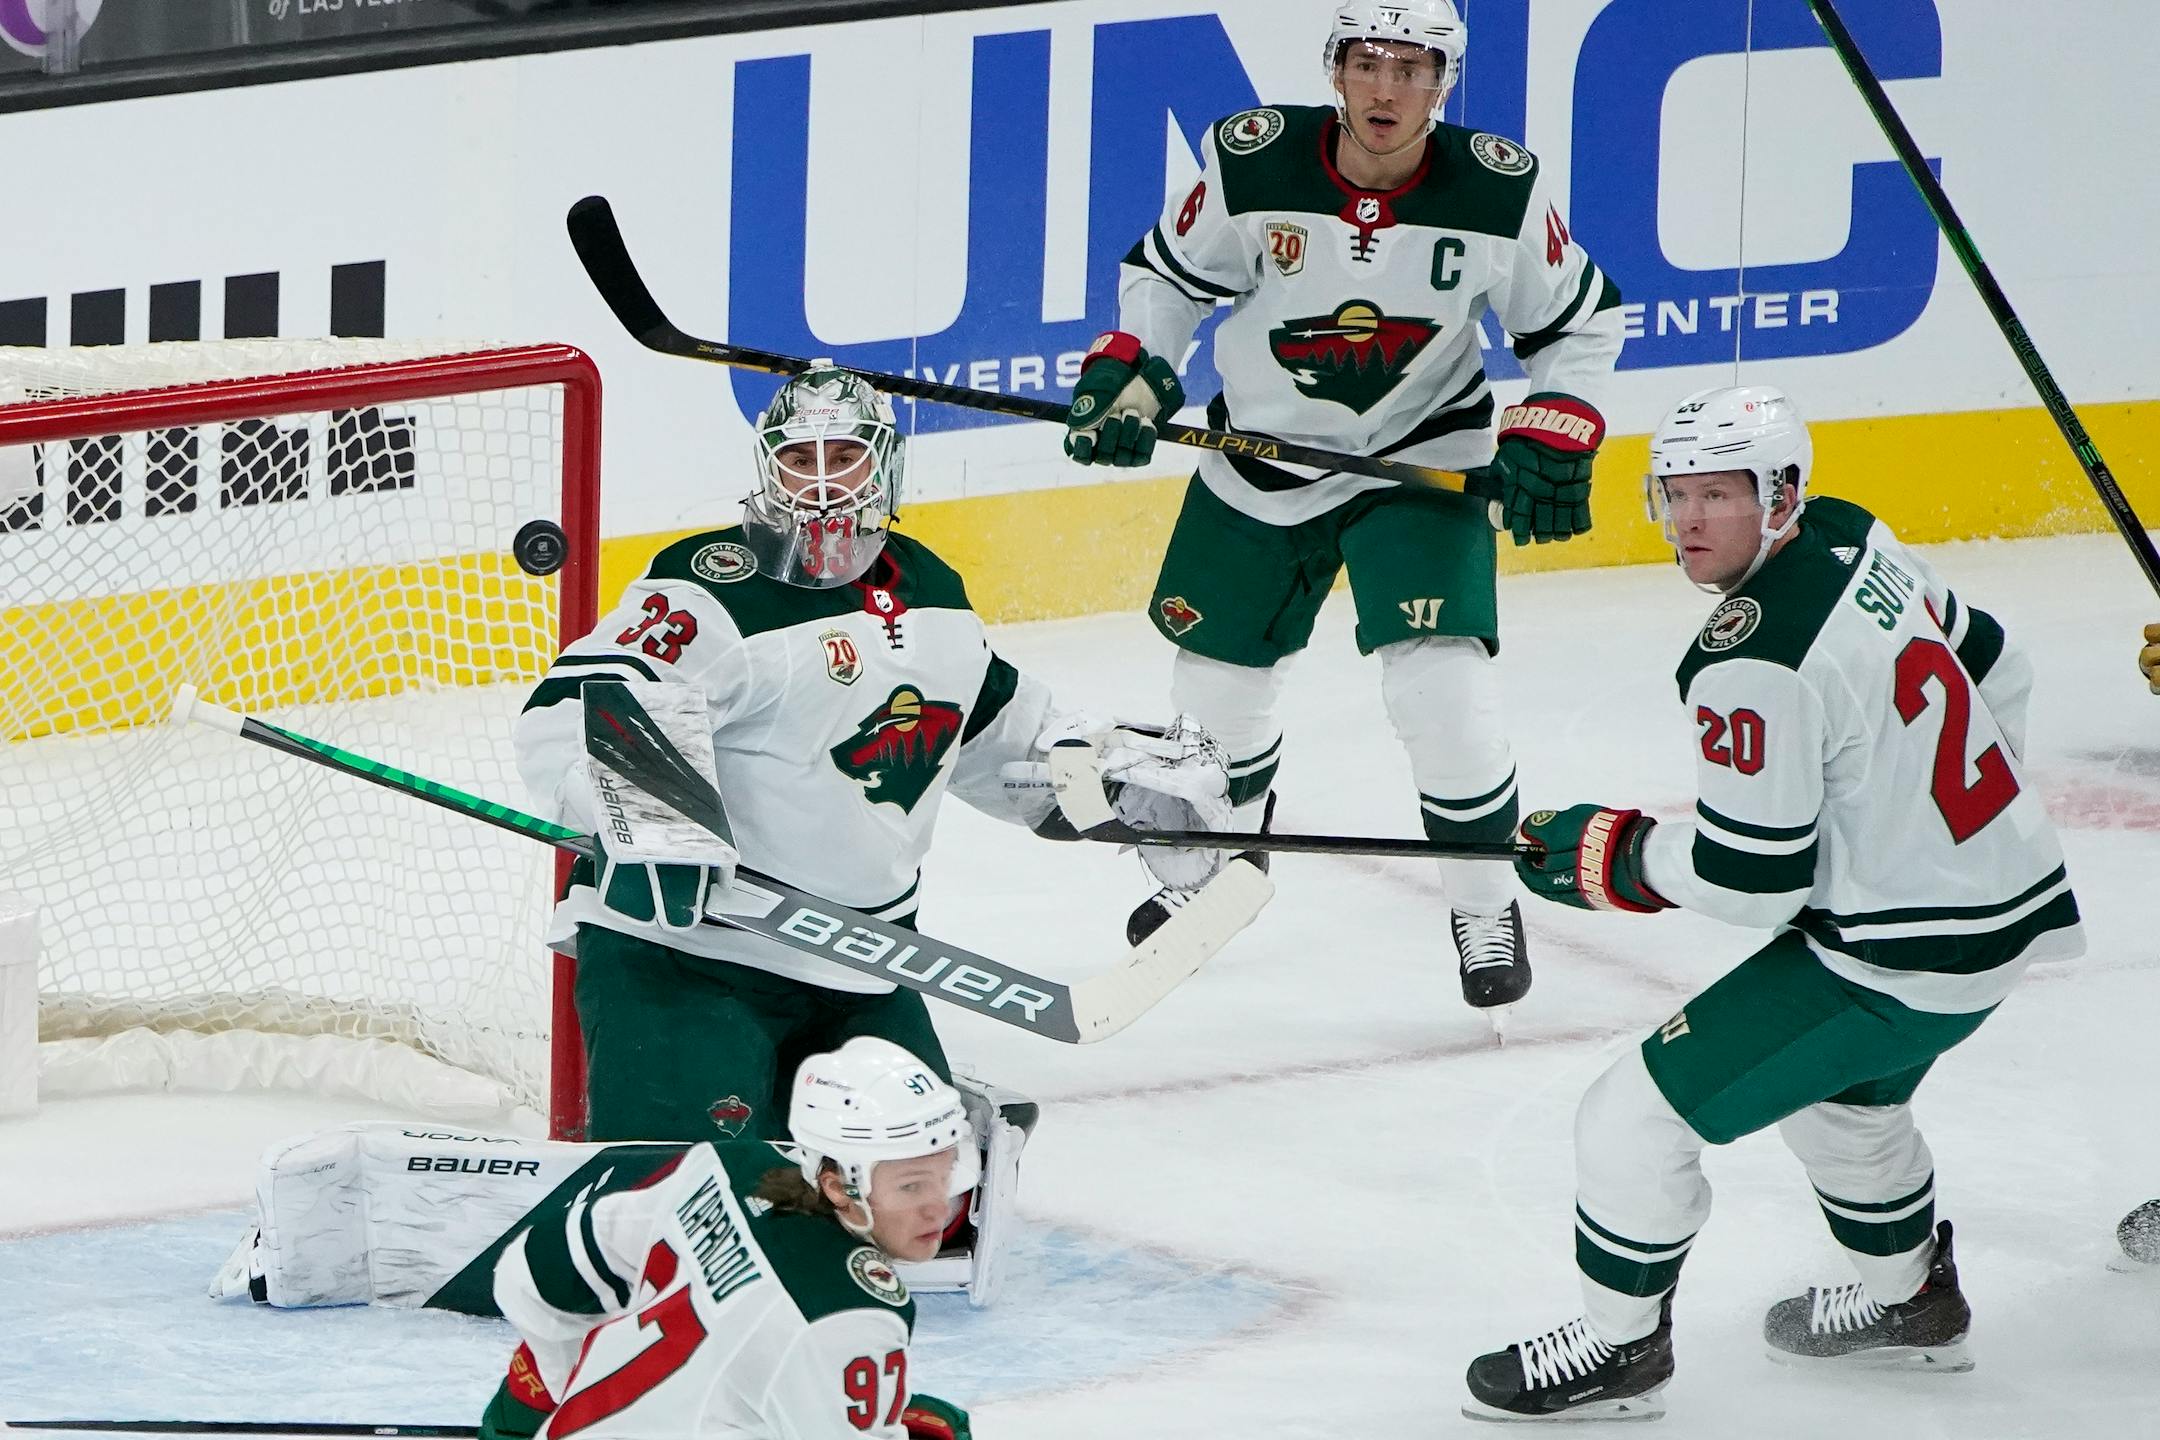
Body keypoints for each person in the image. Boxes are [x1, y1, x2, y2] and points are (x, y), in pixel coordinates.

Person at [511, 362, 1234, 1291]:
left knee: (922, 1229)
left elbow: (992, 730)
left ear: (886, 466)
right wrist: (649, 809)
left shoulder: (933, 588)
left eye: (844, 454)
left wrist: (1101, 784)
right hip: (687, 959)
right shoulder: (710, 586)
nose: (820, 479)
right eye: (799, 455)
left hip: (862, 961)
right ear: (766, 466)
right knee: (684, 1232)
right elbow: (584, 698)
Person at [1461, 386, 2085, 1421]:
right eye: (1674, 494)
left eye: (1719, 494)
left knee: (1629, 1119)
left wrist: (1613, 857)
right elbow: (1997, 662)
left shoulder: (1748, 658)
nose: (1689, 520)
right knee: (1846, 1107)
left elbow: (1756, 881)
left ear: (1781, 495)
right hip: (2004, 905)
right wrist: (1932, 827)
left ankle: (1621, 1355)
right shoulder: (1851, 535)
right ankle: (1911, 1308)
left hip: (1896, 958)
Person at [1061, 0, 1623, 1018]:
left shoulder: (1501, 186)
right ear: (1336, 67)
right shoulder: (1253, 160)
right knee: (1213, 697)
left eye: (1414, 68)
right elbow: (1167, 278)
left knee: (1442, 695)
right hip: (1259, 455)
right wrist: (1139, 364)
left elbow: (1579, 325)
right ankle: (1218, 864)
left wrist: (1555, 415)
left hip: (1421, 464)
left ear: (1444, 82)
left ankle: (1484, 903)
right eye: (1369, 62)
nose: (1387, 89)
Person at [476, 1037, 979, 1440]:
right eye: (911, 1185)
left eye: (946, 1173)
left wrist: (536, 1403)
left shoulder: (732, 1166)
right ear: (837, 1184)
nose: (939, 1205)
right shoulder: (849, 1317)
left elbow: (543, 1265)